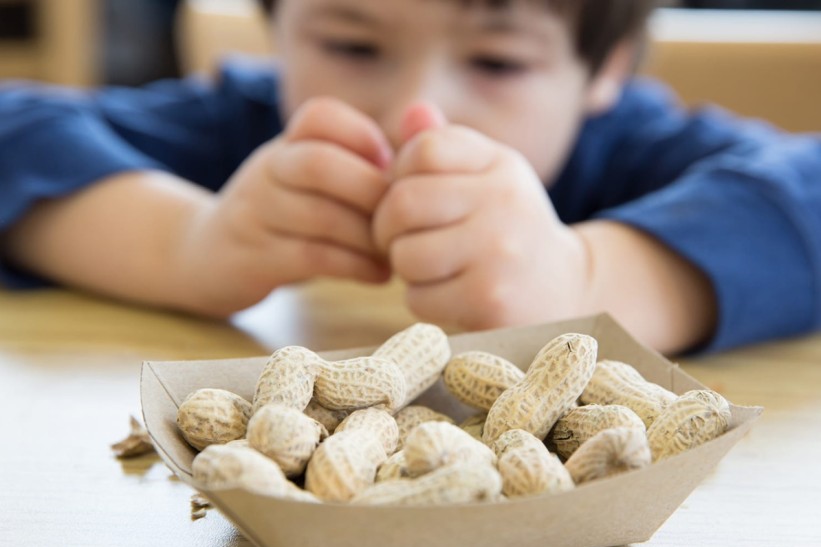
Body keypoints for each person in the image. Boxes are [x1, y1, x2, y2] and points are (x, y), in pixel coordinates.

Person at [0, 0, 819, 356]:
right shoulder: (245, 128)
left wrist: (590, 277)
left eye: (496, 61)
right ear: (275, 31)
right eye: (352, 47)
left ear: (603, 67)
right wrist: (181, 241)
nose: (414, 113)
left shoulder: (633, 148)